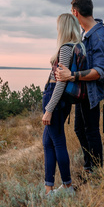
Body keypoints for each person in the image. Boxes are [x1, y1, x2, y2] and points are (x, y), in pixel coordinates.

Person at [56, 0, 104, 175]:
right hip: (83, 92)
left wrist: (72, 75)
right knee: (80, 129)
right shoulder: (85, 34)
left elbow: (100, 71)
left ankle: (96, 173)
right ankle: (89, 168)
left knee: (91, 131)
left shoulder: (99, 36)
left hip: (92, 92)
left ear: (75, 12)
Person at [42, 13, 84, 196]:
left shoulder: (67, 48)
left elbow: (61, 82)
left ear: (64, 28)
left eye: (59, 26)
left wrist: (49, 109)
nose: (57, 29)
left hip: (55, 99)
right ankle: (49, 189)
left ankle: (67, 187)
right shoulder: (77, 46)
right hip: (59, 100)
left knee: (58, 143)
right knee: (48, 142)